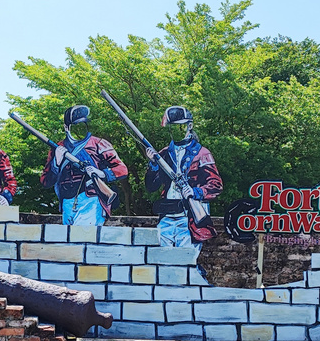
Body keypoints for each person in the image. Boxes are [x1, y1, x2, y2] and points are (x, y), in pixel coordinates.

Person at [144, 106, 223, 254]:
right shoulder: (164, 153)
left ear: (189, 126)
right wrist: (153, 165)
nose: (174, 130)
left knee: (187, 261)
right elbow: (151, 187)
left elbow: (216, 185)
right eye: (172, 127)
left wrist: (195, 192)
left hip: (189, 217)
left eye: (179, 126)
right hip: (167, 214)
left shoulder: (202, 153)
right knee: (161, 258)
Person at [40, 105, 128, 225]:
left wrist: (101, 173)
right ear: (66, 127)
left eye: (83, 125)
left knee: (84, 238)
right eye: (76, 126)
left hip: (91, 199)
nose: (80, 129)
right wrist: (57, 163)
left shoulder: (99, 144)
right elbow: (45, 181)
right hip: (67, 202)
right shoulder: (58, 148)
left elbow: (122, 169)